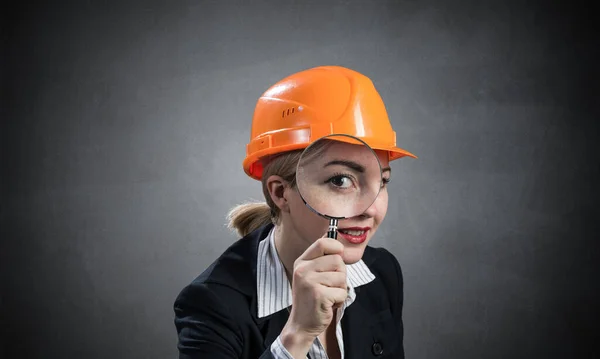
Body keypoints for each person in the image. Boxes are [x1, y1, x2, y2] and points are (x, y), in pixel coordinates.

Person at [173, 65, 417, 359]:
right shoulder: (212, 303)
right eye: (340, 181)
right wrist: (298, 333)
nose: (370, 209)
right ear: (280, 192)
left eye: (382, 182)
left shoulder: (382, 272)